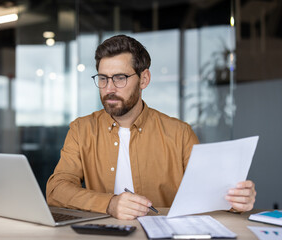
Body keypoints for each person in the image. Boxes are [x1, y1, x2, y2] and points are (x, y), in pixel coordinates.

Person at [46, 35, 256, 220]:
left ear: (144, 79)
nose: (109, 88)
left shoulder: (179, 133)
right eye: (103, 78)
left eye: (120, 78)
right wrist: (109, 204)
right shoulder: (82, 130)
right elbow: (56, 190)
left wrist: (235, 201)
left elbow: (210, 193)